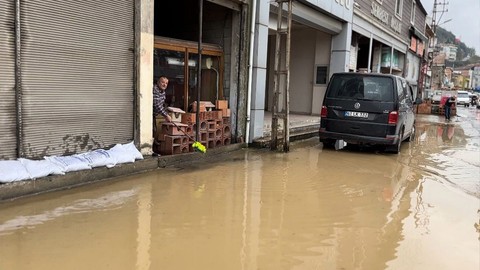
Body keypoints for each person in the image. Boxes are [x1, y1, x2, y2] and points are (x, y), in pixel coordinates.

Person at [152, 76, 171, 155]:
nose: (164, 84)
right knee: (152, 131)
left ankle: (153, 149)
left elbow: (162, 105)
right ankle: (151, 150)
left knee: (154, 131)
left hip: (154, 115)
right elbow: (156, 104)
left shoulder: (163, 92)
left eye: (166, 83)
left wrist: (167, 112)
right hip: (148, 114)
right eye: (163, 82)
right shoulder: (155, 89)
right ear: (158, 82)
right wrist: (166, 115)